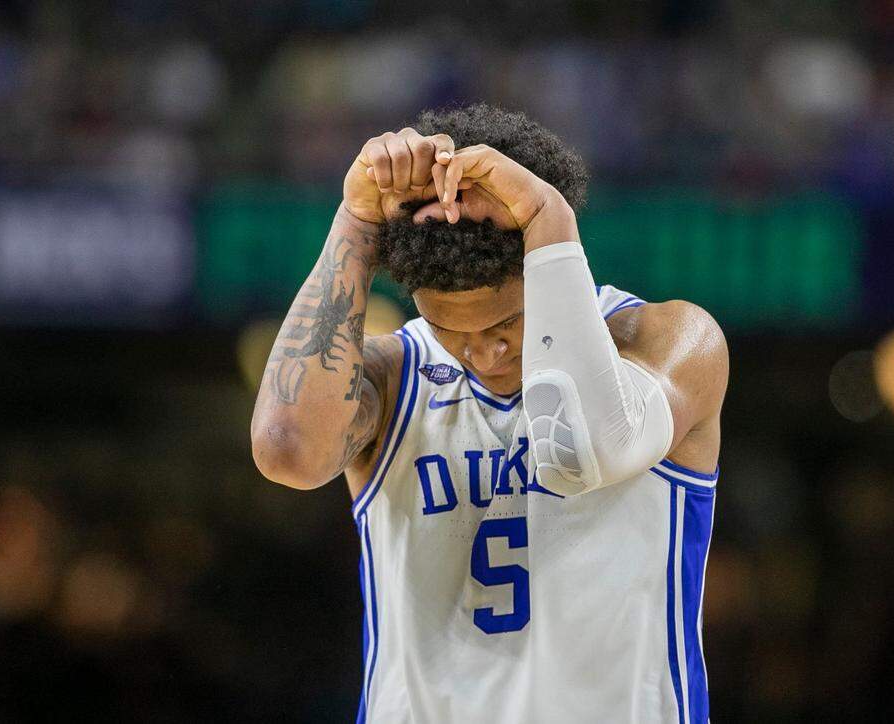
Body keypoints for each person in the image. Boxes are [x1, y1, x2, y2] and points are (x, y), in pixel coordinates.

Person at [251, 104, 728, 724]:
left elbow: (580, 452)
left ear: (548, 263)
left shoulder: (669, 341)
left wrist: (545, 213)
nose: (483, 353)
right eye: (450, 329)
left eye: (507, 322)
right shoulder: (395, 374)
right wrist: (357, 221)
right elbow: (287, 450)